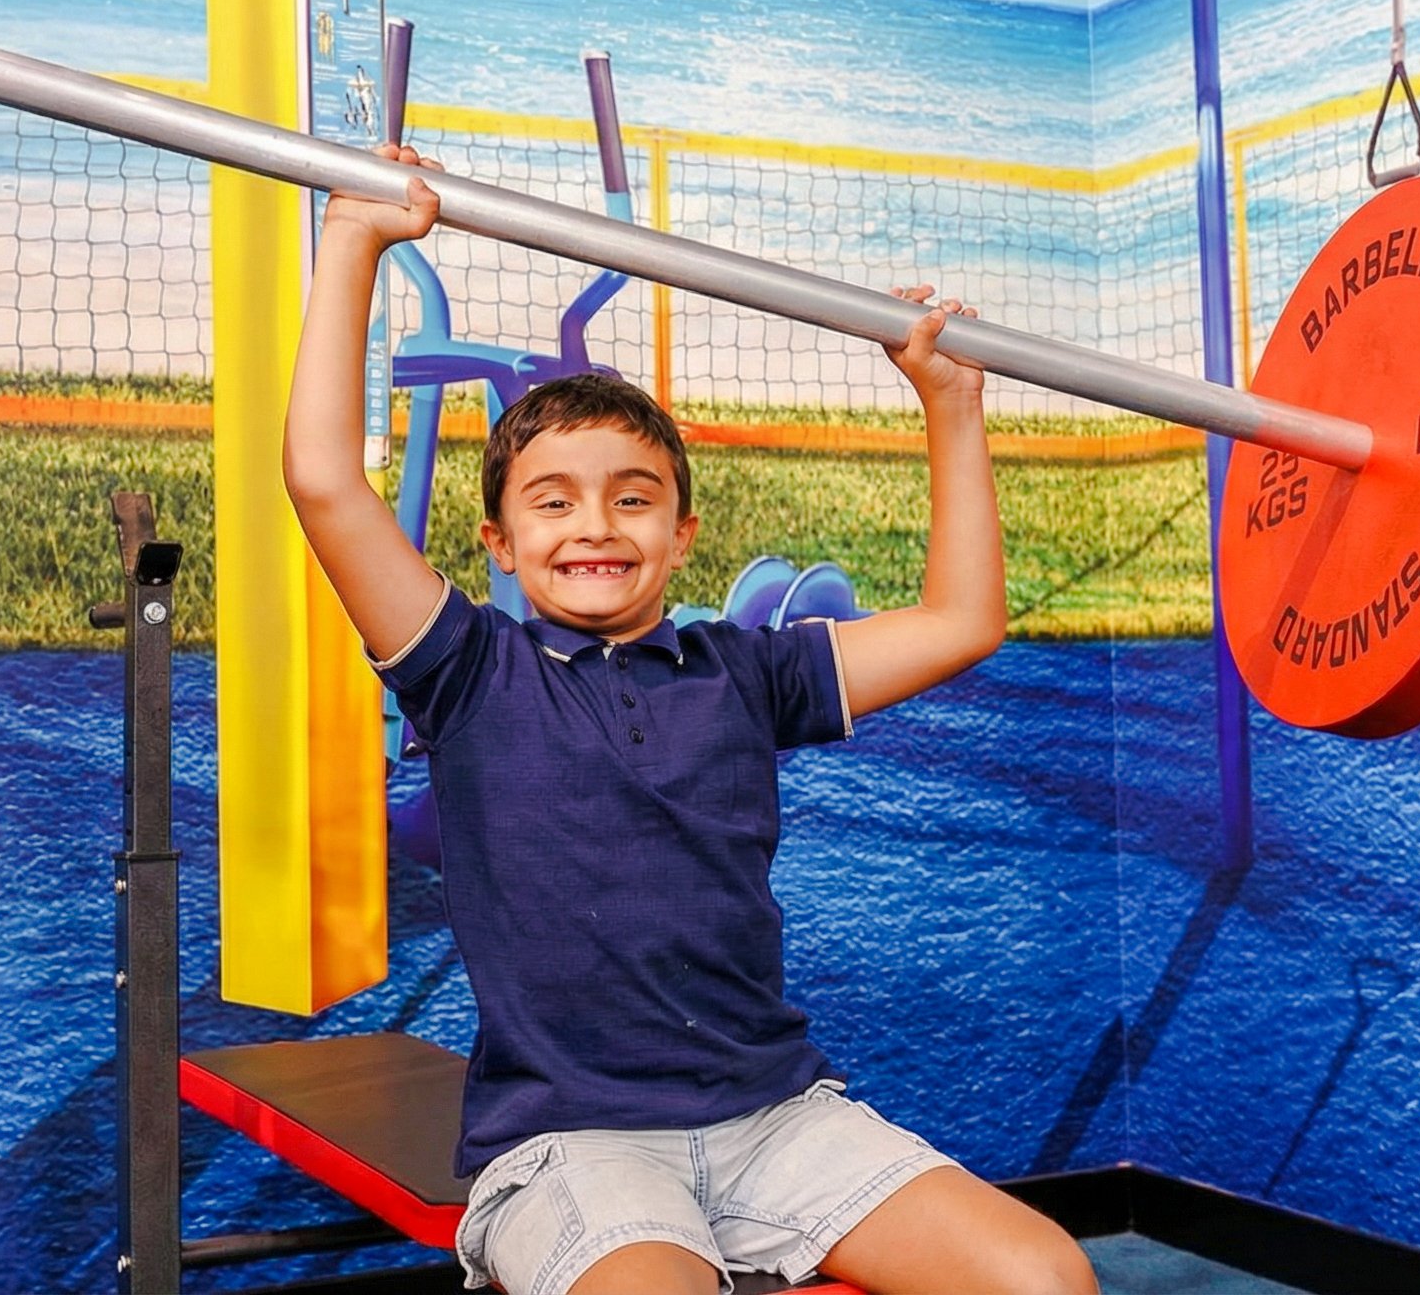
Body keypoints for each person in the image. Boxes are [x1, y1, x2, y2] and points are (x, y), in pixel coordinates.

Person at [282, 146, 1097, 1295]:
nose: (595, 525)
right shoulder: (468, 673)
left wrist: (950, 404)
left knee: (1045, 1278)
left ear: (680, 536)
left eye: (633, 498)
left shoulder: (747, 674)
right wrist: (353, 239)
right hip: (572, 1142)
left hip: (776, 1118)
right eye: (553, 502)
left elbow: (962, 620)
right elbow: (323, 480)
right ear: (500, 544)